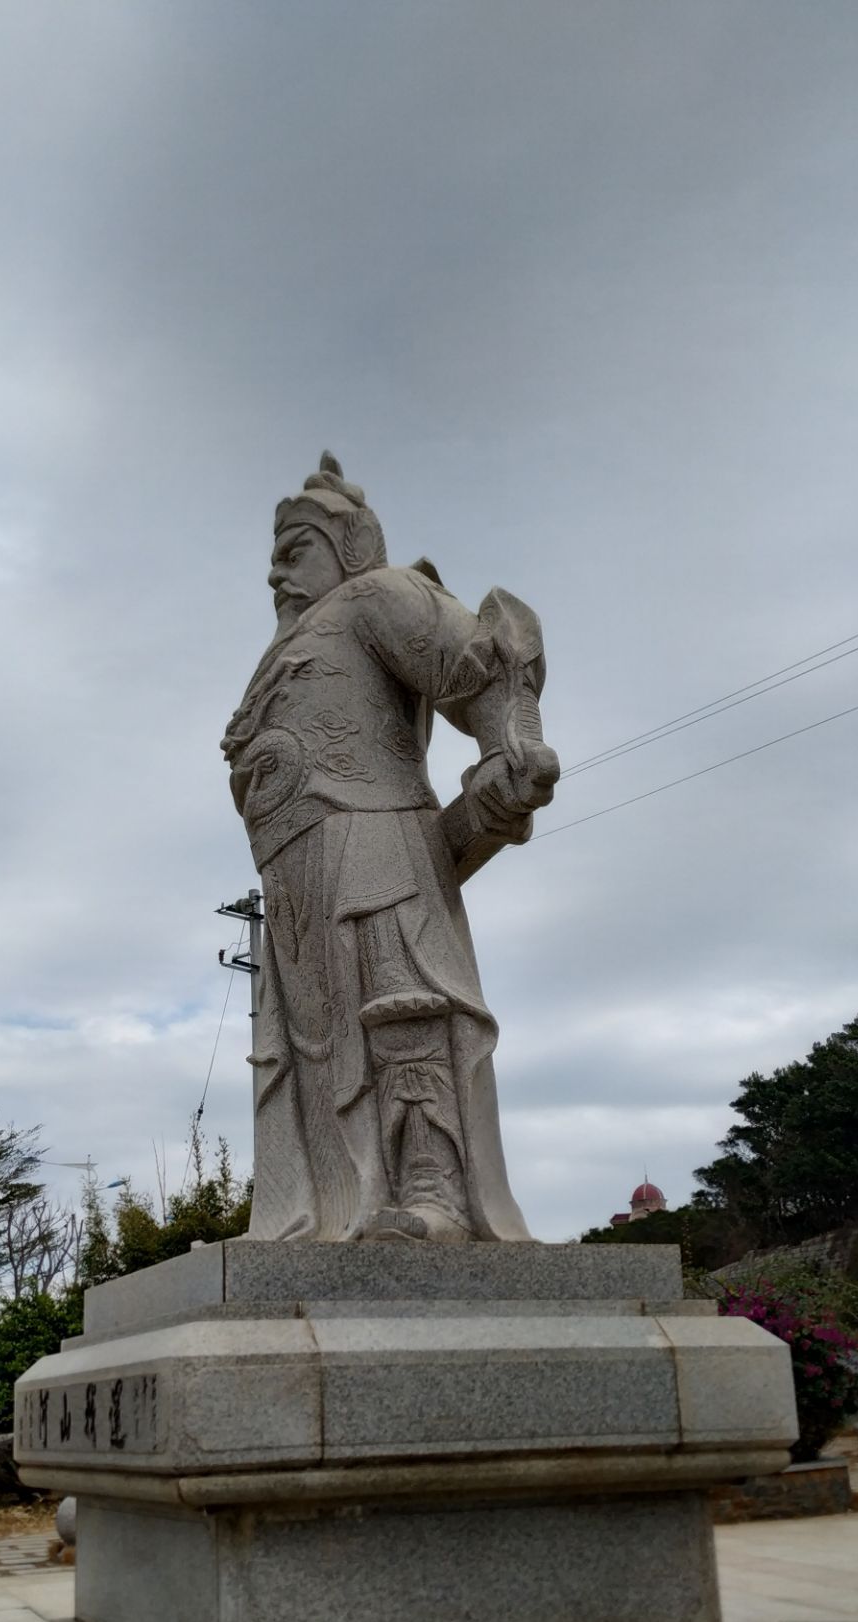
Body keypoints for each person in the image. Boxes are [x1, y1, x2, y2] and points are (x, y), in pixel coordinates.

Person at [222, 453, 559, 1243]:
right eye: (273, 559)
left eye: (295, 550)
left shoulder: (377, 593)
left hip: (371, 830)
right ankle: (321, 1210)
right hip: (292, 869)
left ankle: (433, 1188)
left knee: (403, 1007)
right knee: (312, 1046)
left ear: (350, 545)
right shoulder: (285, 651)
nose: (276, 573)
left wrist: (506, 749)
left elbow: (474, 664)